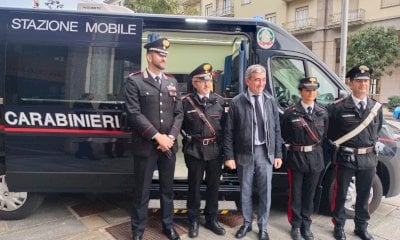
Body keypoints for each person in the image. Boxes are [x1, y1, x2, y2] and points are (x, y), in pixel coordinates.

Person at [124, 35, 184, 240]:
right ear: (149, 56)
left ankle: (168, 226)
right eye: (160, 53)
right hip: (146, 146)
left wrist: (171, 137)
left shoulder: (172, 81)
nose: (164, 57)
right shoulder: (135, 81)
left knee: (168, 190)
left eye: (165, 54)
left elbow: (179, 113)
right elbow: (134, 113)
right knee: (142, 192)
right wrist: (158, 137)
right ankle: (138, 230)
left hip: (168, 146)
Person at [224, 64, 283, 240]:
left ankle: (263, 227)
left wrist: (278, 154)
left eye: (263, 80)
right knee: (246, 191)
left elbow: (276, 129)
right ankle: (247, 223)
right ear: (247, 80)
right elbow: (228, 132)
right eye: (257, 80)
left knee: (266, 191)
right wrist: (229, 156)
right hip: (244, 153)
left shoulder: (270, 101)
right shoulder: (237, 102)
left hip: (265, 152)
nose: (260, 83)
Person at [328, 65, 383, 240]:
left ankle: (361, 227)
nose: (363, 84)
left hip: (368, 158)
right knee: (341, 194)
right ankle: (338, 226)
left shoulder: (376, 108)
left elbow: (377, 130)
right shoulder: (338, 107)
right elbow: (331, 133)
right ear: (350, 84)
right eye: (359, 81)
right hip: (346, 158)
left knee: (364, 195)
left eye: (366, 81)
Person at [181, 63, 226, 238]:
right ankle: (193, 219)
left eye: (209, 80)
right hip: (195, 151)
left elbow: (226, 128)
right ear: (194, 83)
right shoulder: (186, 102)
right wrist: (188, 138)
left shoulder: (220, 102)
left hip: (215, 150)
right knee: (194, 187)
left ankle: (211, 219)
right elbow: (179, 125)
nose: (207, 83)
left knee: (214, 187)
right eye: (202, 80)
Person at [280, 77, 329, 240]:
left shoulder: (322, 112)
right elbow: (284, 135)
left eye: (314, 90)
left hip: (316, 157)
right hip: (296, 158)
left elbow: (325, 136)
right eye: (307, 90)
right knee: (295, 194)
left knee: (310, 194)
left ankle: (306, 226)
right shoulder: (290, 113)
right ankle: (295, 225)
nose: (311, 93)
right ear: (300, 91)